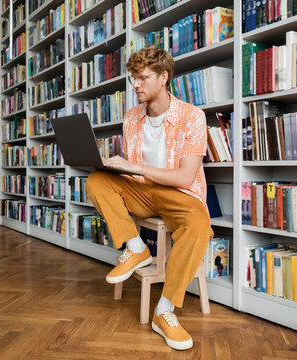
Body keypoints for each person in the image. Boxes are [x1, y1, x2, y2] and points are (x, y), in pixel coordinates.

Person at [85, 45, 213, 351]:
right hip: (143, 190)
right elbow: (133, 172)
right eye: (133, 78)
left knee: (198, 227)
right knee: (96, 180)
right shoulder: (132, 118)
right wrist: (114, 167)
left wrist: (134, 167)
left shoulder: (192, 117)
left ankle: (164, 311)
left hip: (180, 194)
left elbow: (184, 177)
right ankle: (136, 247)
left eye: (142, 78)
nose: (135, 85)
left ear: (163, 77)